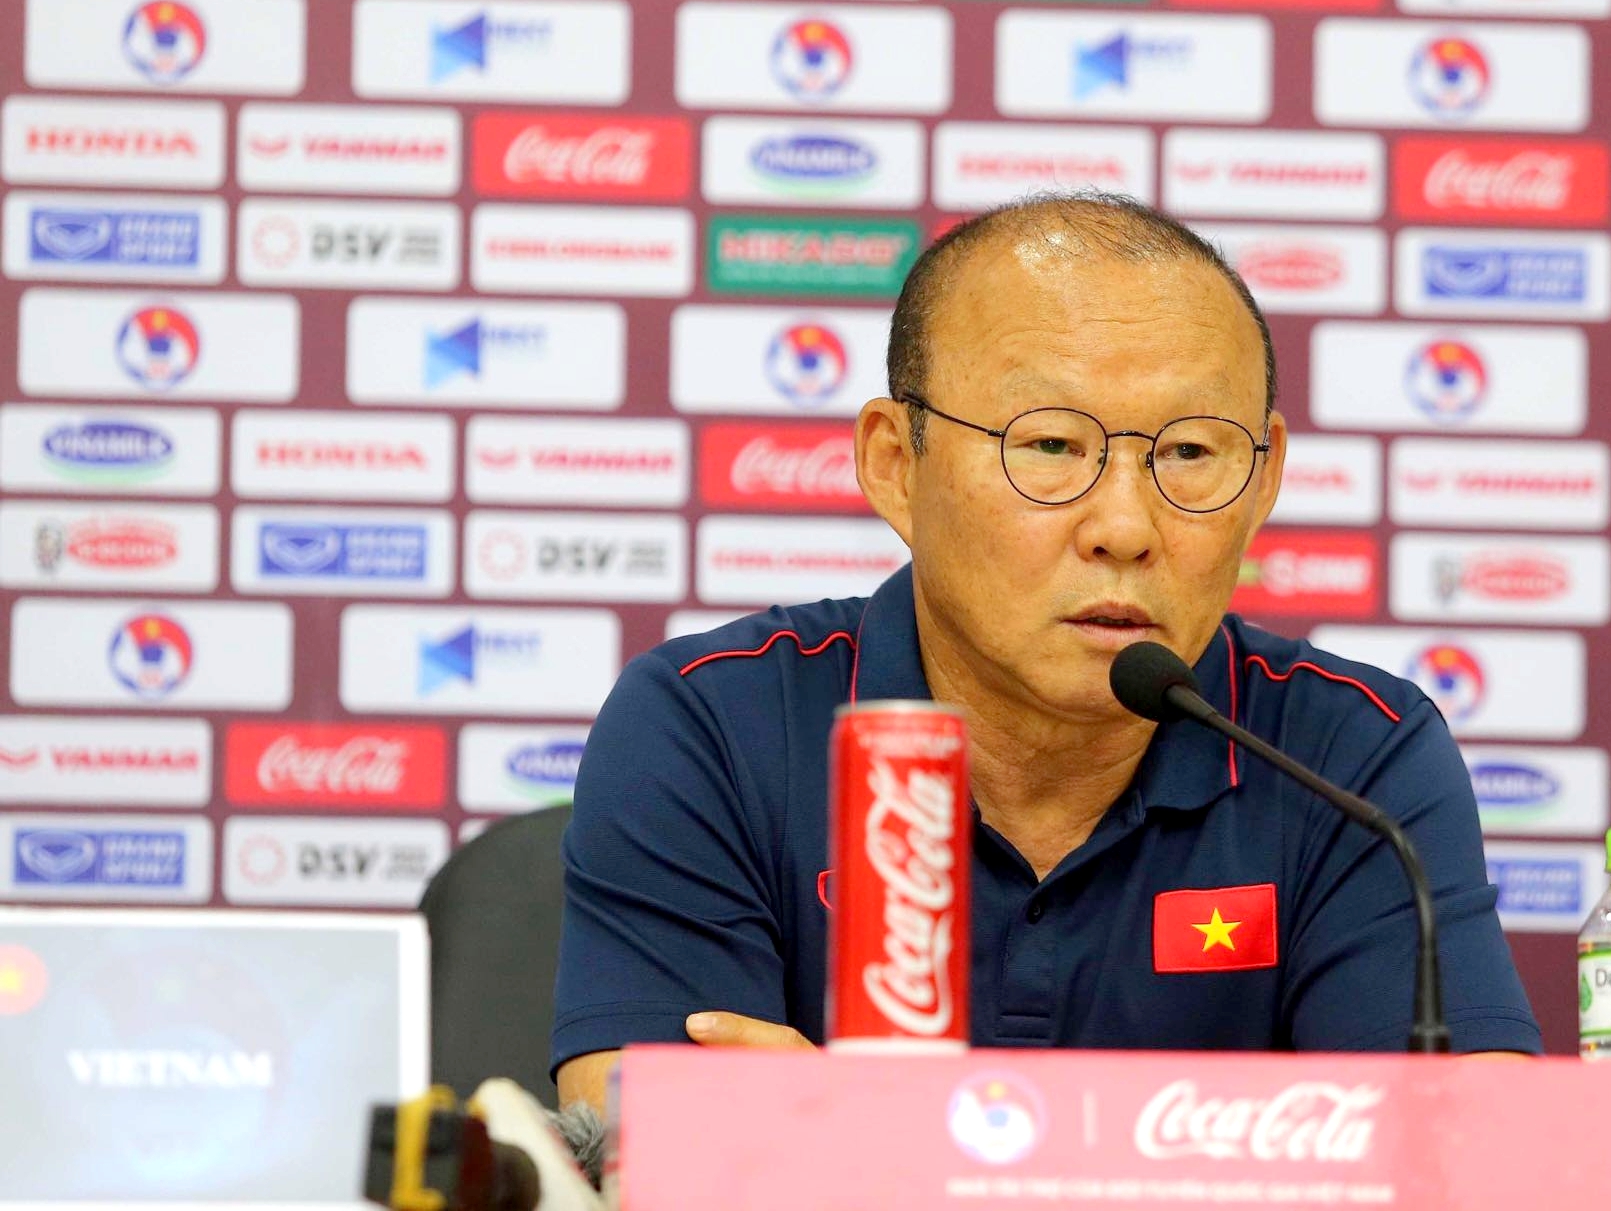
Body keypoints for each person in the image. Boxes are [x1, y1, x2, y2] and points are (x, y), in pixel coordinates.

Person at [553, 194, 1540, 1113]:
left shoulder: (1349, 759)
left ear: (1264, 477)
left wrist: (852, 1137)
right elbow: (660, 1138)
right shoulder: (712, 725)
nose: (1124, 527)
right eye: (1052, 447)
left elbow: (1462, 1152)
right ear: (895, 464)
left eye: (1190, 453)